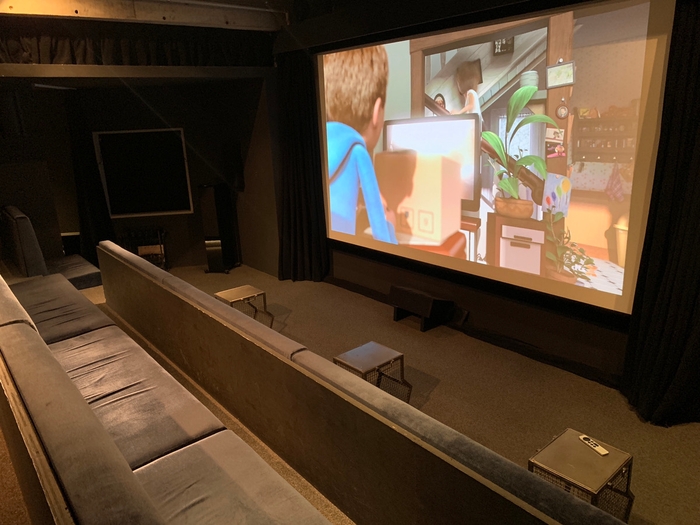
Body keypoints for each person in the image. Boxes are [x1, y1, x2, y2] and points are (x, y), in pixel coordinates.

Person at [323, 46, 397, 244]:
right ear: (376, 113)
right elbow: (382, 236)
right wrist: (390, 224)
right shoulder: (358, 152)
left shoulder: (319, 142)